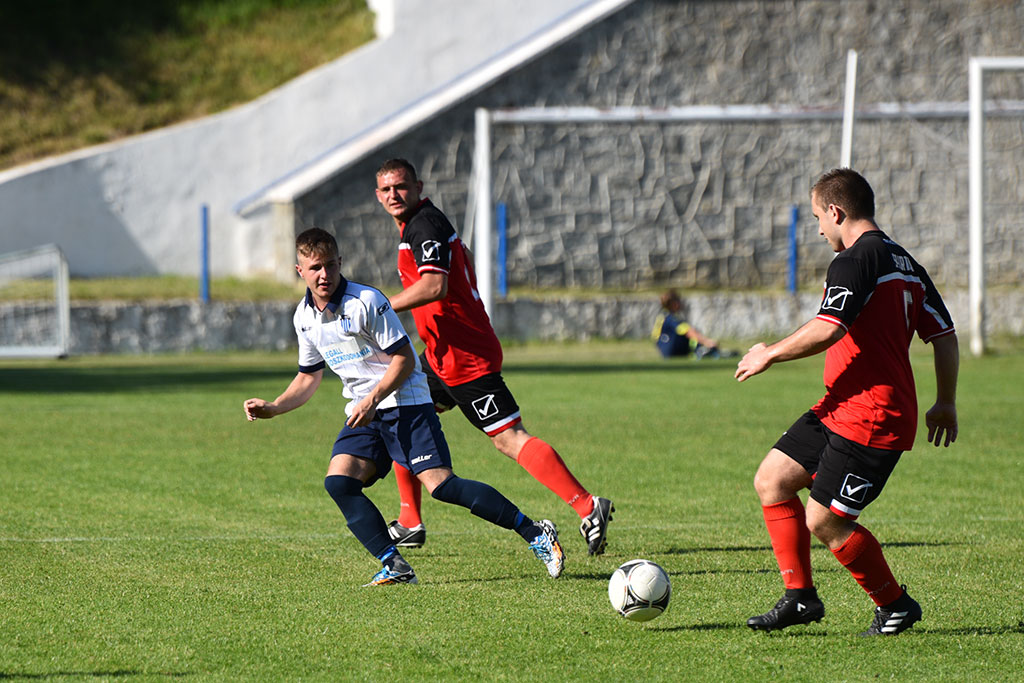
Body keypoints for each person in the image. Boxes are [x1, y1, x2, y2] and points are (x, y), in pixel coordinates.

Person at [243, 228, 565, 585]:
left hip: (406, 403)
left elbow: (404, 361)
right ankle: (394, 565)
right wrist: (274, 407)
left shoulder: (365, 301)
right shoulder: (304, 317)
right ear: (299, 271)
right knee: (339, 483)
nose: (324, 275)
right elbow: (308, 377)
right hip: (366, 411)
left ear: (340, 263)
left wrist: (373, 398)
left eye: (330, 265)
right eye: (315, 267)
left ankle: (533, 530)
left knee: (442, 486)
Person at [734, 168, 959, 636]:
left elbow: (829, 326)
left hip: (873, 418)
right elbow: (944, 334)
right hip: (840, 405)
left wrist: (769, 352)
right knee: (772, 479)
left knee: (824, 520)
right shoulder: (906, 261)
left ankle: (895, 605)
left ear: (836, 212)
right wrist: (945, 402)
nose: (818, 229)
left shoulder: (856, 259)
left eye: (818, 217)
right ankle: (800, 599)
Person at [373, 158, 614, 556]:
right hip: (441, 354)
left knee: (509, 439)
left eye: (400, 186)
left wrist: (381, 307)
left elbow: (434, 285)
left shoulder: (425, 225)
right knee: (401, 408)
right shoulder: (419, 227)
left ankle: (589, 507)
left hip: (466, 360)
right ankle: (411, 521)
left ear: (418, 186)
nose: (393, 195)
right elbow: (463, 258)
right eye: (385, 190)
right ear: (377, 195)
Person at [653, 289, 732, 359]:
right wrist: (707, 342)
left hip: (665, 352)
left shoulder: (662, 317)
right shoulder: (671, 318)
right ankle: (701, 351)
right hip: (672, 351)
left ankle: (703, 351)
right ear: (674, 303)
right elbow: (688, 331)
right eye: (678, 300)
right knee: (691, 335)